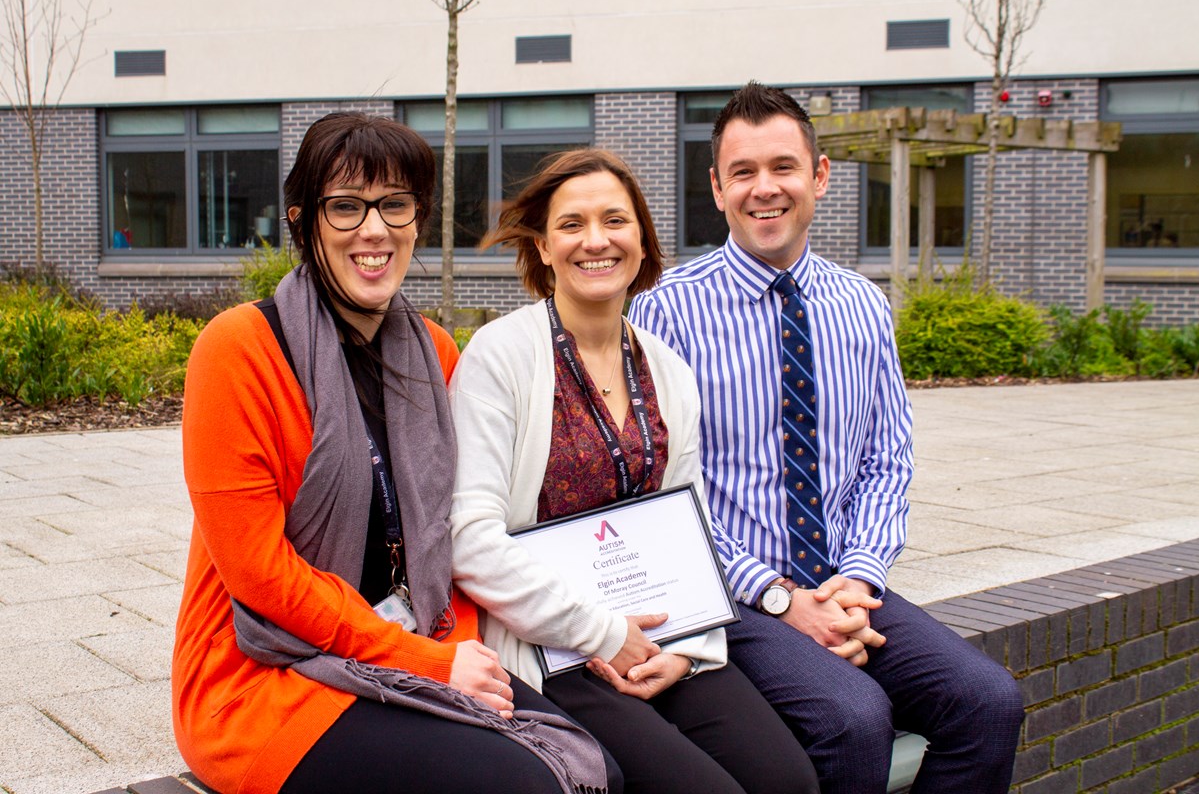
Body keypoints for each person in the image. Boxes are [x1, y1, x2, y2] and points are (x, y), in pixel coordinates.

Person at [173, 113, 616, 794]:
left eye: (395, 204)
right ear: (303, 222)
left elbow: (450, 537)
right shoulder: (238, 352)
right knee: (527, 785)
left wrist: (452, 648)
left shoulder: (435, 353)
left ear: (418, 219)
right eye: (346, 207)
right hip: (266, 678)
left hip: (417, 641)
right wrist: (426, 663)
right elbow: (260, 575)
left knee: (597, 774)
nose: (374, 230)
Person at [628, 82, 1025, 794]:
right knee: (853, 718)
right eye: (742, 172)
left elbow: (886, 459)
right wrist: (780, 597)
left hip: (845, 584)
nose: (764, 189)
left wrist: (860, 578)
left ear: (820, 175)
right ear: (716, 188)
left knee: (989, 703)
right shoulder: (666, 314)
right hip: (737, 596)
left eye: (782, 166)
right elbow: (661, 492)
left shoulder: (863, 305)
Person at [448, 148, 819, 794]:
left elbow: (690, 527)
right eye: (572, 225)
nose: (596, 241)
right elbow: (469, 538)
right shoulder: (500, 358)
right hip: (554, 651)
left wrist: (686, 650)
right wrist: (599, 631)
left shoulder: (669, 370)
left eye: (615, 221)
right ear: (541, 247)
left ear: (643, 243)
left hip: (660, 640)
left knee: (789, 780)